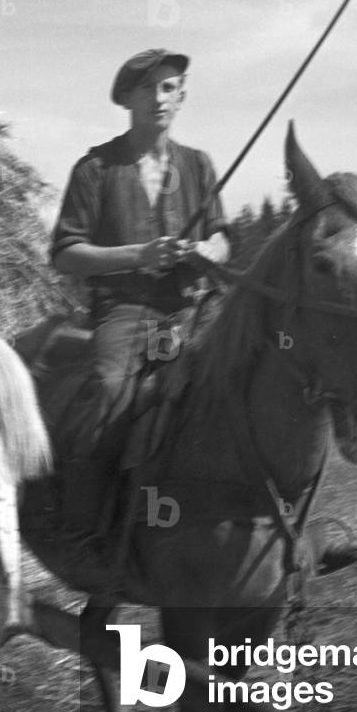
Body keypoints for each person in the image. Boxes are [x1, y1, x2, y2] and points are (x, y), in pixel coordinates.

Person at [50, 49, 230, 542]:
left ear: (182, 98)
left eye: (170, 87)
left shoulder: (198, 165)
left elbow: (222, 236)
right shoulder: (95, 169)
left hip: (193, 306)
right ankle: (88, 529)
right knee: (109, 388)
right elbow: (66, 253)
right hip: (127, 311)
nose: (159, 98)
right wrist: (138, 256)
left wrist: (205, 249)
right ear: (127, 98)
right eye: (148, 88)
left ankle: (280, 525)